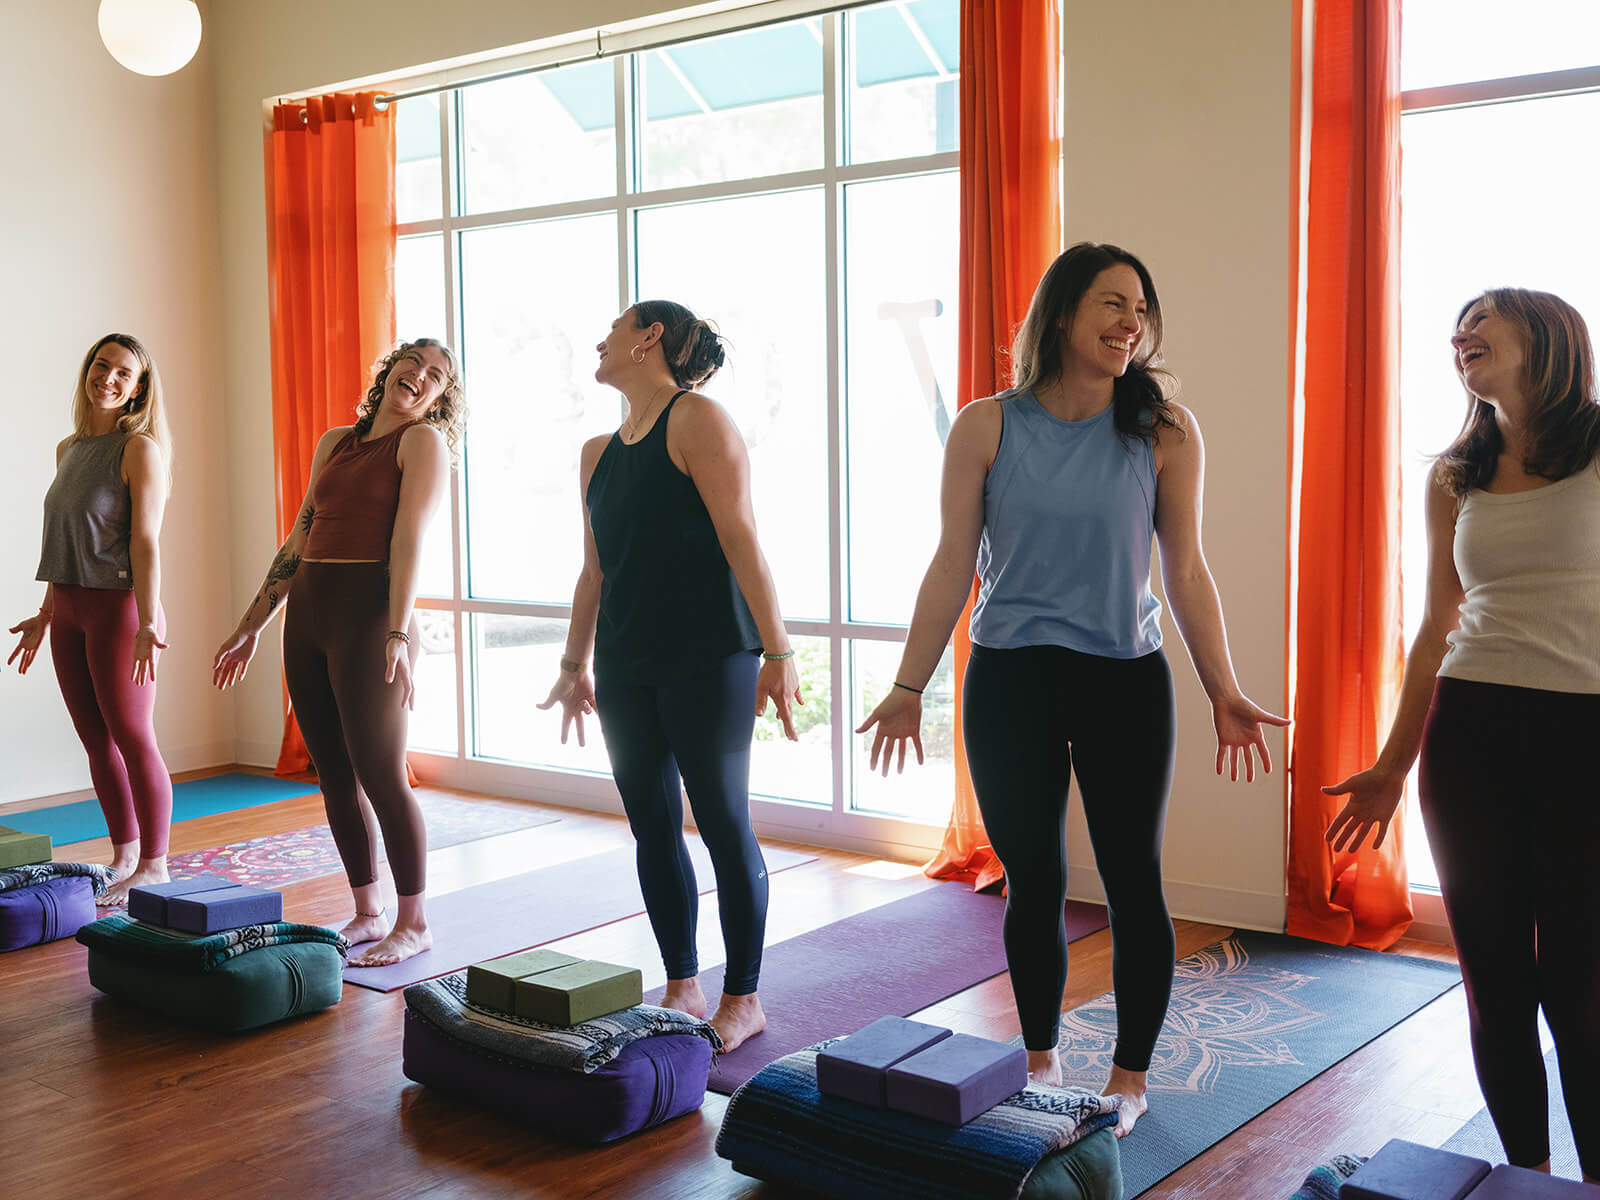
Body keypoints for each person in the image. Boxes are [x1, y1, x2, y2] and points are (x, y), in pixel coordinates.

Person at [857, 243, 1287, 1136]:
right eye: (1112, 303)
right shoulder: (987, 424)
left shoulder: (1163, 430)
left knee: (1134, 881)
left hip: (1124, 681)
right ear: (1060, 314)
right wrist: (909, 684)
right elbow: (950, 567)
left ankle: (1129, 1077)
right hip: (1010, 677)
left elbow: (1187, 571)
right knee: (1035, 879)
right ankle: (1041, 1059)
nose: (1132, 322)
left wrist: (1225, 689)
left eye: (1140, 308)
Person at [1324, 288, 1599, 1183]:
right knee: (1493, 978)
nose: (1462, 334)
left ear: (1548, 337)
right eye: (1458, 327)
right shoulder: (1456, 473)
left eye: (1485, 320)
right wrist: (1390, 766)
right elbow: (1436, 625)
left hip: (1583, 732)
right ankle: (1524, 1177)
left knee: (1580, 982)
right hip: (1469, 728)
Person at [539, 300, 801, 1053]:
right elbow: (594, 570)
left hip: (709, 654)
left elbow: (742, 539)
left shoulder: (697, 420)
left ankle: (743, 998)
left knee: (721, 823)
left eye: (614, 328)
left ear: (650, 337)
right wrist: (572, 662)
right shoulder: (596, 451)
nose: (600, 339)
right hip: (626, 662)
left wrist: (778, 654)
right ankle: (682, 984)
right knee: (652, 824)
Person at [212, 339, 463, 968]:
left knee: (381, 772)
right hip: (309, 614)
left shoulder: (420, 444)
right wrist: (253, 625)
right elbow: (300, 535)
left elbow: (408, 542)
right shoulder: (335, 442)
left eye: (436, 377)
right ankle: (367, 910)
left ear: (439, 397)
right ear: (391, 367)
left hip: (369, 616)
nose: (421, 376)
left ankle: (415, 921)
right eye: (415, 363)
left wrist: (399, 634)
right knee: (333, 773)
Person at [9, 334, 175, 906]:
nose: (108, 378)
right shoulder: (69, 449)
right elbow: (66, 539)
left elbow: (146, 542)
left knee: (133, 737)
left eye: (123, 374)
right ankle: (125, 853)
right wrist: (46, 613)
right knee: (95, 742)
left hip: (119, 609)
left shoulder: (139, 450)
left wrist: (150, 621)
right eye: (102, 366)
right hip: (71, 609)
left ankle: (155, 863)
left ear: (137, 390)